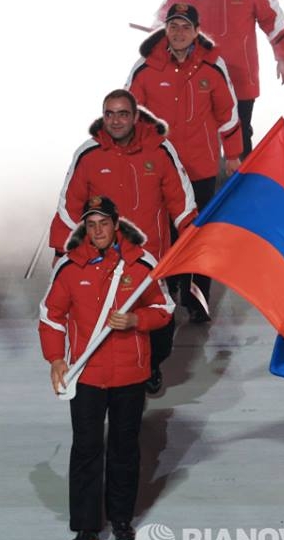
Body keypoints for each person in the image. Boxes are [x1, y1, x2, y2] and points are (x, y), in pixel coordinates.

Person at [39, 196, 173, 540]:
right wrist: (55, 359)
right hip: (86, 376)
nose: (97, 231)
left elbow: (164, 308)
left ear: (116, 224)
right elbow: (50, 316)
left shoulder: (141, 264)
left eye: (103, 223)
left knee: (125, 447)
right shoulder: (68, 269)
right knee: (86, 449)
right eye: (91, 224)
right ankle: (86, 528)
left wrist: (136, 320)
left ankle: (122, 517)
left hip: (130, 374)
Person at [49, 89, 197, 393]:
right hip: (101, 256)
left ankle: (153, 363)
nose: (116, 121)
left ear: (135, 116)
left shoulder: (160, 150)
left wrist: (192, 234)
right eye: (109, 114)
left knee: (158, 317)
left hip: (152, 257)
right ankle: (112, 373)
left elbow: (180, 198)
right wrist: (60, 248)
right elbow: (70, 203)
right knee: (111, 317)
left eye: (122, 114)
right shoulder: (87, 154)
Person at [126, 3, 240, 323]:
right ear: (166, 29)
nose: (178, 33)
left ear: (196, 31)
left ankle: (197, 299)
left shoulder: (212, 67)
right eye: (173, 26)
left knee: (198, 235)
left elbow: (227, 113)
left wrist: (232, 155)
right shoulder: (145, 68)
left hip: (200, 168)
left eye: (185, 27)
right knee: (160, 233)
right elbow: (129, 113)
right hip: (158, 170)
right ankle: (165, 293)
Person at [157, 0, 284, 159]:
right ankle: (205, 191)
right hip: (196, 75)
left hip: (239, 76)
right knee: (199, 135)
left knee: (240, 134)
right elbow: (161, 25)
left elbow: (273, 19)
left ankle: (242, 188)